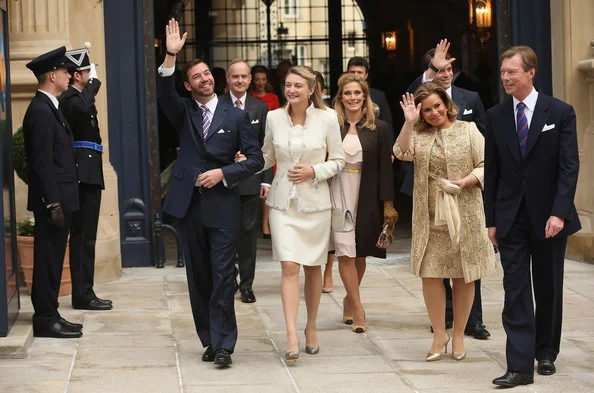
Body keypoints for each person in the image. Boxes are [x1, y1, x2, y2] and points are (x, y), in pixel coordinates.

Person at [157, 19, 264, 367]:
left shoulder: (237, 116)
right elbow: (164, 93)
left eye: (207, 74)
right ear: (189, 86)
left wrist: (224, 173)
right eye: (197, 77)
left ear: (213, 79)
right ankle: (208, 338)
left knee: (222, 276)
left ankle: (223, 345)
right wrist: (170, 55)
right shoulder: (183, 112)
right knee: (199, 277)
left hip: (223, 205)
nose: (204, 79)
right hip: (189, 207)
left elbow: (255, 160)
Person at [486, 46, 581, 388]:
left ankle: (545, 353)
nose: (506, 77)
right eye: (503, 72)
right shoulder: (496, 116)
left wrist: (559, 212)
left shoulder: (560, 111)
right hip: (511, 217)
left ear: (530, 72)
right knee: (515, 290)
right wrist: (491, 220)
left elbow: (569, 167)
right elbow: (492, 172)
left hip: (549, 218)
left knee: (548, 286)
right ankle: (519, 365)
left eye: (512, 71)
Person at [393, 82, 496, 362]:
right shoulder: (418, 133)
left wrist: (465, 182)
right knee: (431, 274)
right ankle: (440, 333)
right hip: (429, 216)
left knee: (463, 274)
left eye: (437, 106)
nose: (433, 113)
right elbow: (401, 152)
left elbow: (488, 165)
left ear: (446, 104)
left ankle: (460, 333)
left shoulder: (469, 130)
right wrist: (409, 123)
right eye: (426, 110)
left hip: (465, 213)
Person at [261, 65, 344, 361]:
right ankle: (291, 334)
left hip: (316, 205)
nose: (291, 90)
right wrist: (247, 163)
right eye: (288, 84)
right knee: (289, 268)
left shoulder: (328, 118)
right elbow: (266, 156)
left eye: (298, 85)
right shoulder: (273, 117)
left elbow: (338, 160)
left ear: (312, 90)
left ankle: (311, 327)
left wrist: (314, 171)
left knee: (313, 268)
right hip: (283, 205)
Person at [23, 46, 82, 338]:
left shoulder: (50, 107)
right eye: (64, 71)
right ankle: (45, 318)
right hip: (54, 202)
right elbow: (42, 163)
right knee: (48, 259)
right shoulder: (40, 110)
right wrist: (52, 203)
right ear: (51, 75)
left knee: (54, 258)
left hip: (60, 199)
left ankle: (51, 312)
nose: (70, 75)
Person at [331, 73, 396, 332]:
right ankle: (358, 310)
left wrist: (388, 204)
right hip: (338, 191)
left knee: (360, 254)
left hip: (366, 192)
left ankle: (349, 299)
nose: (353, 97)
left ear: (365, 97)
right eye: (348, 93)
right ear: (341, 97)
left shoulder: (378, 128)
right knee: (345, 251)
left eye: (357, 93)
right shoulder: (332, 125)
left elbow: (385, 169)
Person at [60, 46, 113, 311]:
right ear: (76, 75)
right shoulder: (70, 98)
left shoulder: (79, 96)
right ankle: (82, 293)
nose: (90, 75)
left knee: (87, 235)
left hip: (90, 172)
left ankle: (85, 290)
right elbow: (80, 110)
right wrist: (93, 84)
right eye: (85, 71)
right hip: (82, 173)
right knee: (82, 236)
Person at [219, 59, 272, 304]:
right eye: (235, 76)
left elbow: (267, 148)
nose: (239, 81)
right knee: (224, 234)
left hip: (251, 182)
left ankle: (247, 286)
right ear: (228, 80)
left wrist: (266, 180)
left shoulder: (260, 108)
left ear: (250, 80)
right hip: (222, 181)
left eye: (244, 77)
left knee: (248, 236)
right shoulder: (216, 105)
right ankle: (229, 279)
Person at [250, 64, 279, 240]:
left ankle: (266, 223)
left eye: (263, 79)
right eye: (257, 79)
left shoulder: (274, 97)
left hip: (273, 140)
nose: (260, 83)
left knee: (270, 183)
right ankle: (260, 222)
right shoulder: (250, 98)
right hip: (256, 141)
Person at [347, 57, 394, 152]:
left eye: (359, 72)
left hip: (374, 146)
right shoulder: (341, 96)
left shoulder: (379, 96)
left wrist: (389, 151)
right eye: (352, 72)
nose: (356, 75)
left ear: (366, 75)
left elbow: (387, 125)